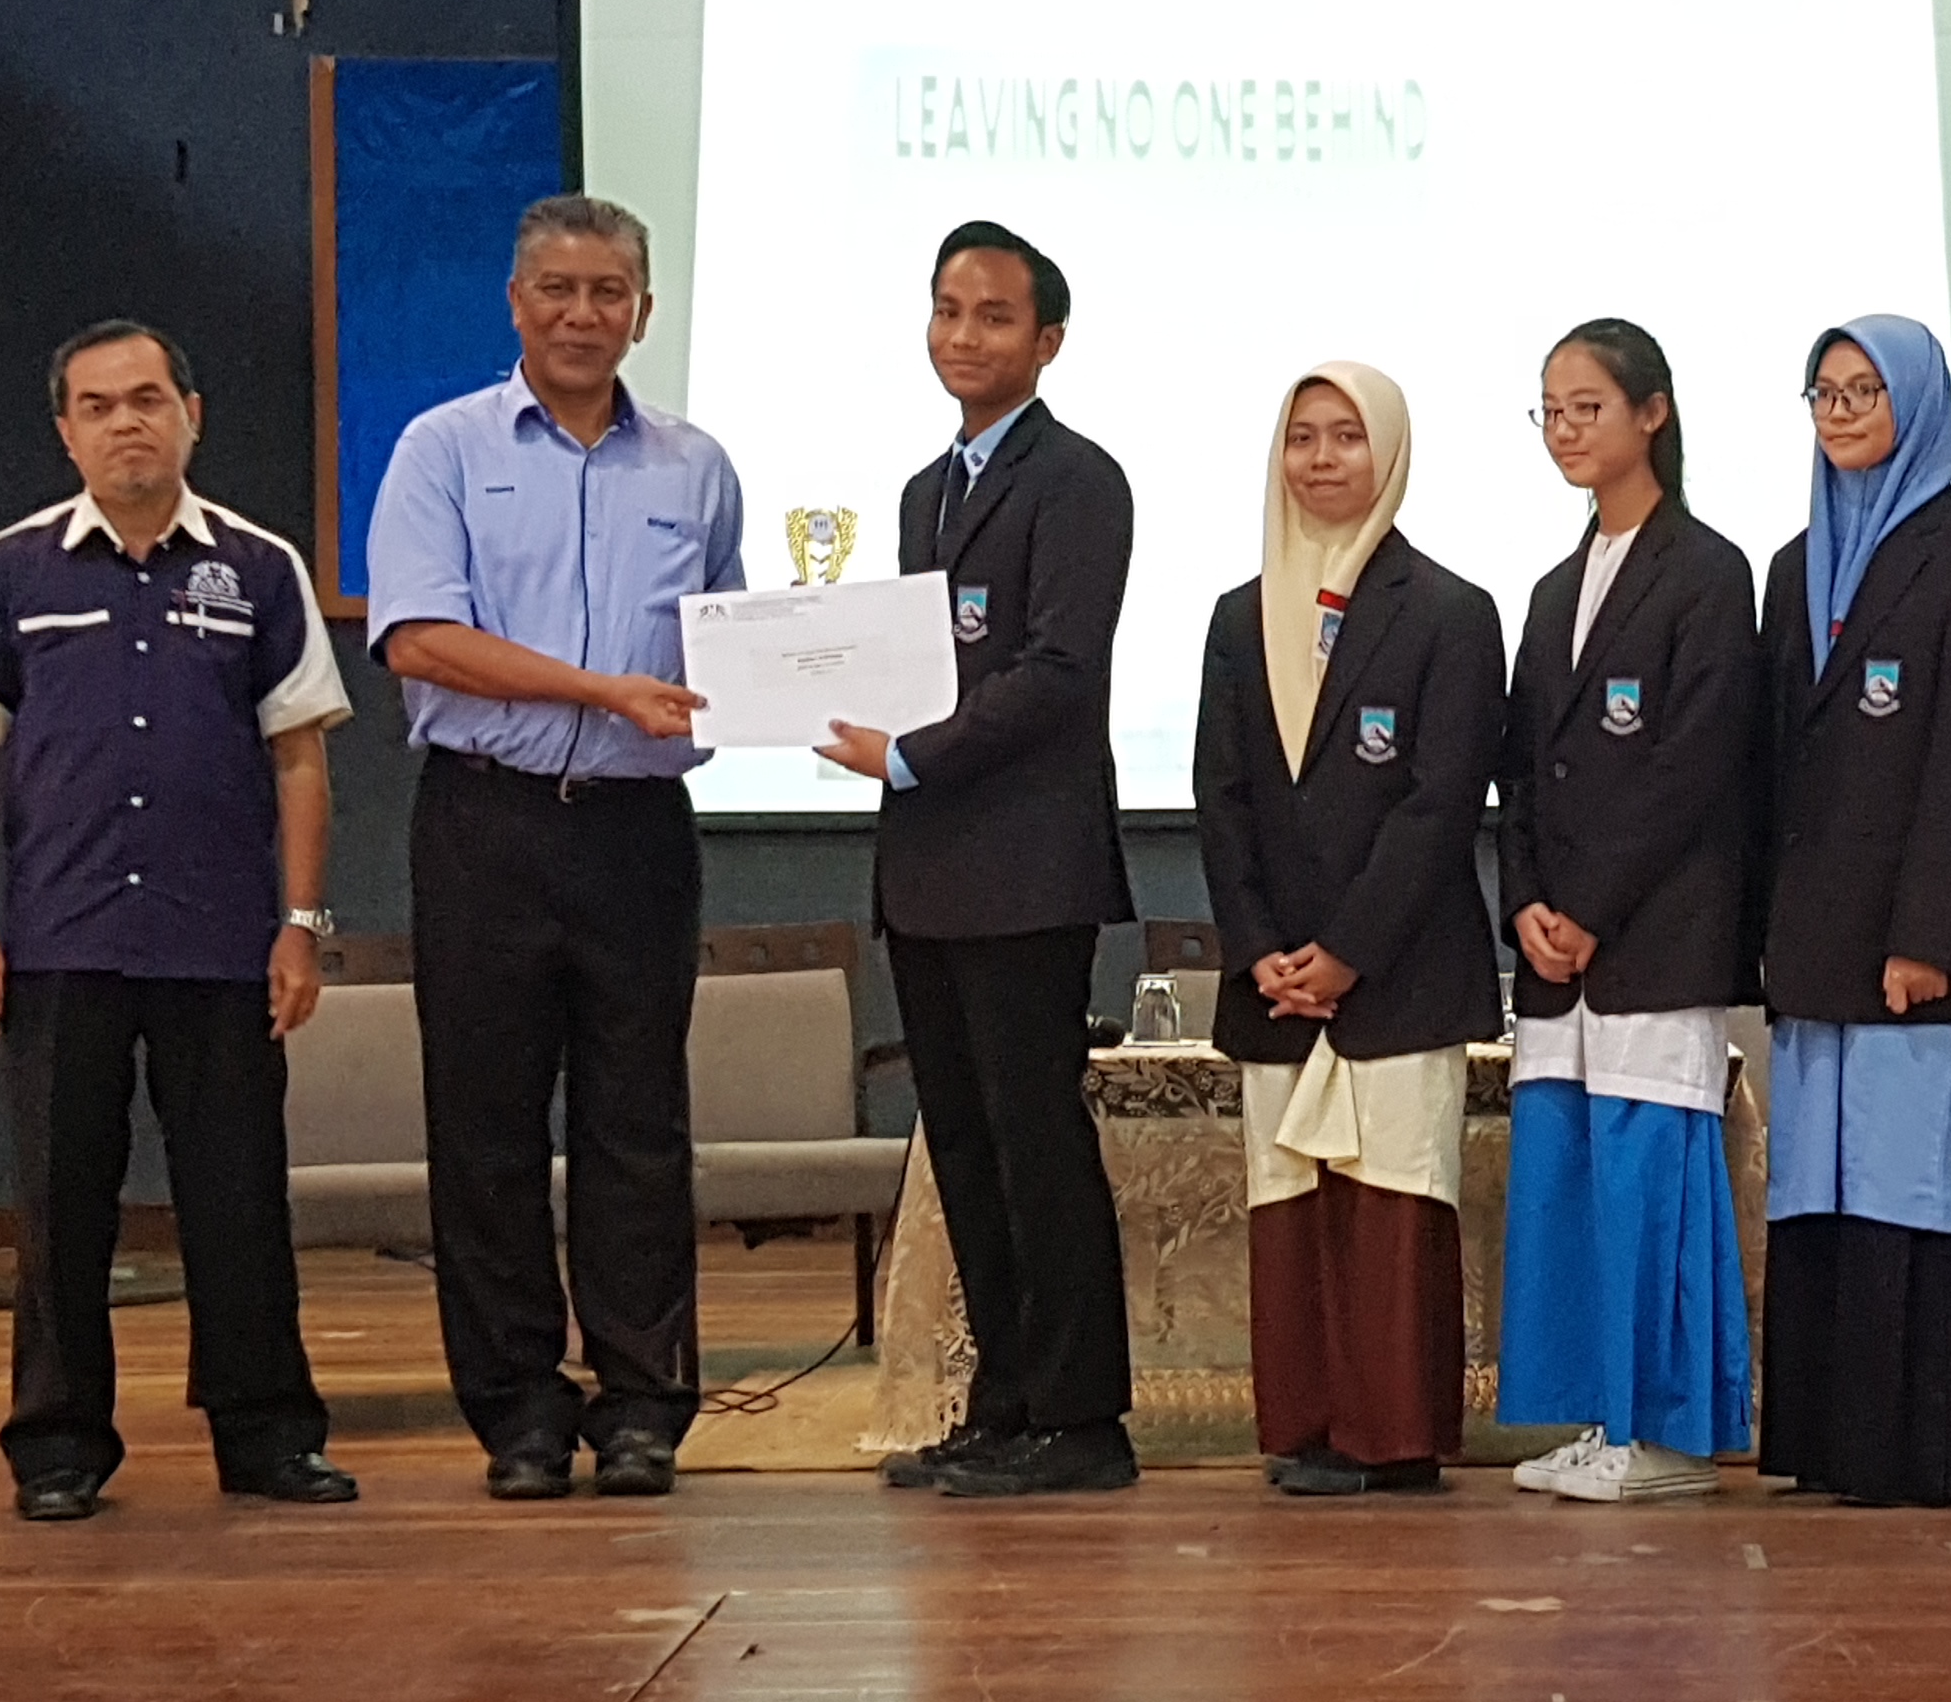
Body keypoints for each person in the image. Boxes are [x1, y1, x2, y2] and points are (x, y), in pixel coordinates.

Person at [0, 319, 359, 1522]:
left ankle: (268, 1439)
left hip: (224, 946)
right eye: (98, 406)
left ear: (191, 416)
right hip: (60, 942)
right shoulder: (10, 570)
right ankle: (58, 1447)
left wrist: (300, 922)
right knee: (62, 1211)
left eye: (148, 400)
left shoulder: (261, 570)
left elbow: (301, 761)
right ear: (66, 431)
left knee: (240, 1203)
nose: (126, 424)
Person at [366, 194, 746, 1503]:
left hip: (638, 835)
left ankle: (643, 1406)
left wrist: (801, 683)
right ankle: (519, 1411)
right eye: (559, 291)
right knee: (486, 1131)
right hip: (488, 823)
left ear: (644, 310)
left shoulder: (696, 467)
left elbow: (728, 641)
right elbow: (419, 640)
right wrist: (600, 691)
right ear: (517, 303)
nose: (584, 315)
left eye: (609, 293)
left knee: (641, 1129)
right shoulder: (442, 449)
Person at [819, 220, 1142, 1499]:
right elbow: (919, 665)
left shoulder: (1080, 481)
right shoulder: (924, 492)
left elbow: (1057, 673)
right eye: (947, 310)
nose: (964, 335)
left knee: (1035, 1148)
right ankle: (1001, 1404)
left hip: (1026, 872)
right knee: (962, 1150)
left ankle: (1080, 1419)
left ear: (1047, 340)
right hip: (930, 873)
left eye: (994, 315)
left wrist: (910, 754)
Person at [1190, 364, 1507, 1496]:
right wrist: (1259, 952)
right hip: (1275, 980)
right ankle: (1310, 1428)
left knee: (1392, 1205)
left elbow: (1439, 805)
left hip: (1399, 973)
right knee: (1291, 1206)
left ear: (1391, 454)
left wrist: (1347, 954)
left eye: (1346, 437)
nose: (1321, 459)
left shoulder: (1452, 612)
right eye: (1302, 438)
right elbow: (1221, 796)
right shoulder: (1240, 617)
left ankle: (1395, 1438)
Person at [1754, 315, 1951, 1509]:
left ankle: (1912, 1451)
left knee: (1907, 1190)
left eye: (1864, 392)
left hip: (1913, 955)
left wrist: (1925, 936)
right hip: (1814, 949)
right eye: (1824, 394)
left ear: (1919, 401)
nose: (1841, 413)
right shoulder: (1795, 565)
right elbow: (1775, 766)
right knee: (1817, 1191)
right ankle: (1825, 1443)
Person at [1495, 319, 1763, 1506]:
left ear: (1652, 414)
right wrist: (1527, 904)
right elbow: (1520, 770)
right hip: (1560, 950)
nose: (1565, 430)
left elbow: (1691, 767)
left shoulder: (1707, 572)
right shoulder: (1555, 587)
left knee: (1653, 1181)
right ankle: (1603, 1416)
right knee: (1571, 1183)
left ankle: (1669, 1430)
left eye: (1588, 406)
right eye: (1550, 410)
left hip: (1655, 935)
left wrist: (1593, 908)